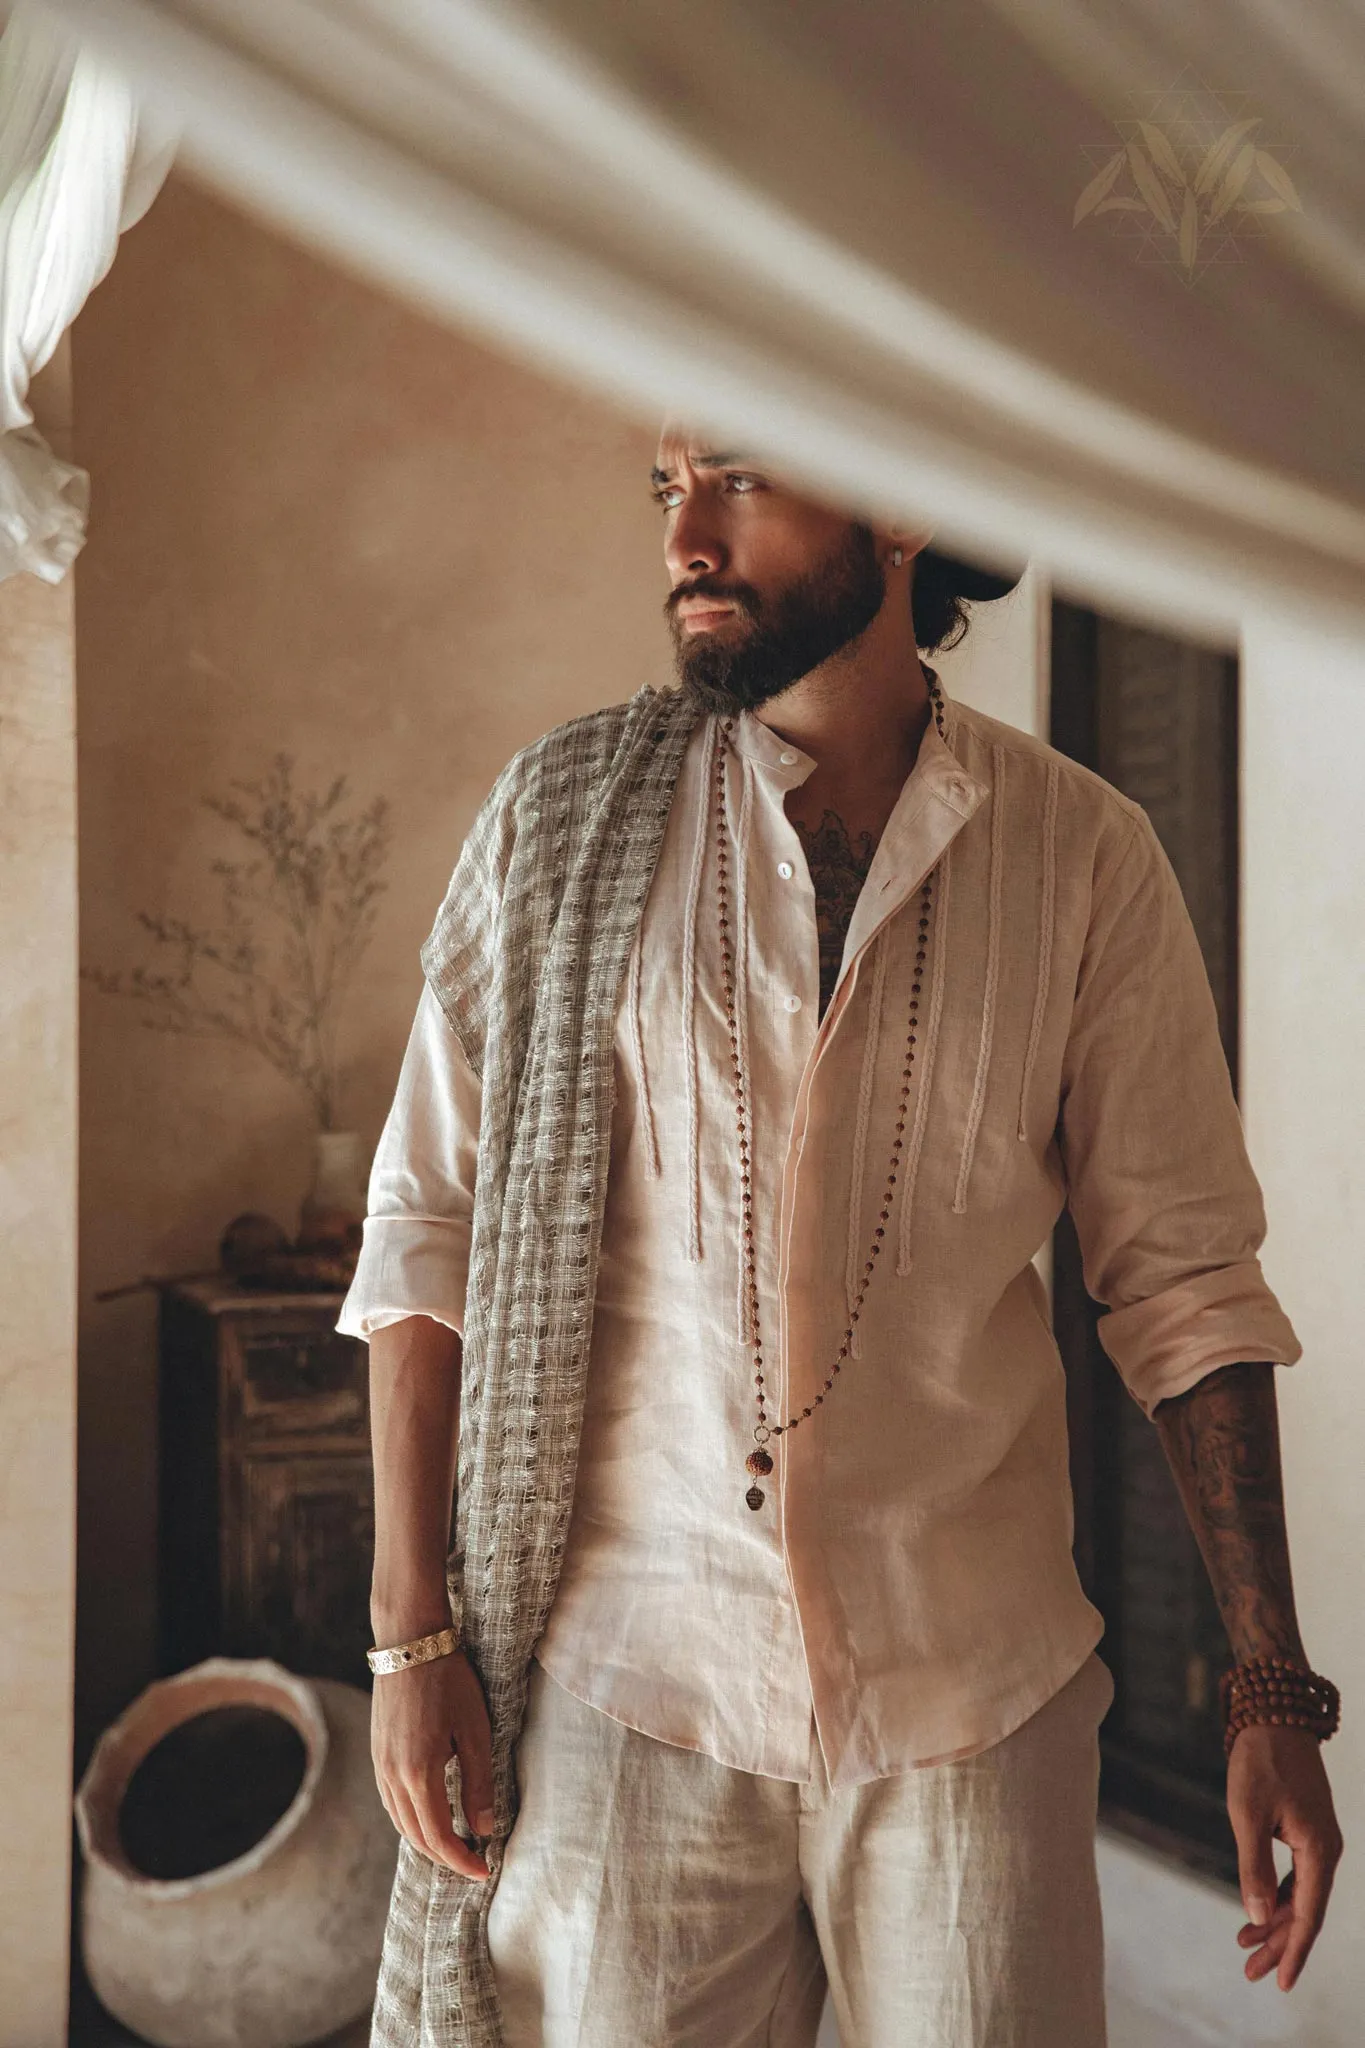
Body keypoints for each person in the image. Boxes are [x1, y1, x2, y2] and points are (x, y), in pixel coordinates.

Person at [338, 427, 1342, 2048]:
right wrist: (409, 1637)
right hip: (627, 1696)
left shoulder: (1083, 859)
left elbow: (1185, 1284)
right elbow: (425, 1224)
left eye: (737, 477)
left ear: (903, 508)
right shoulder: (562, 824)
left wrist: (1269, 1688)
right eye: (667, 492)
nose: (687, 537)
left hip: (974, 1710)